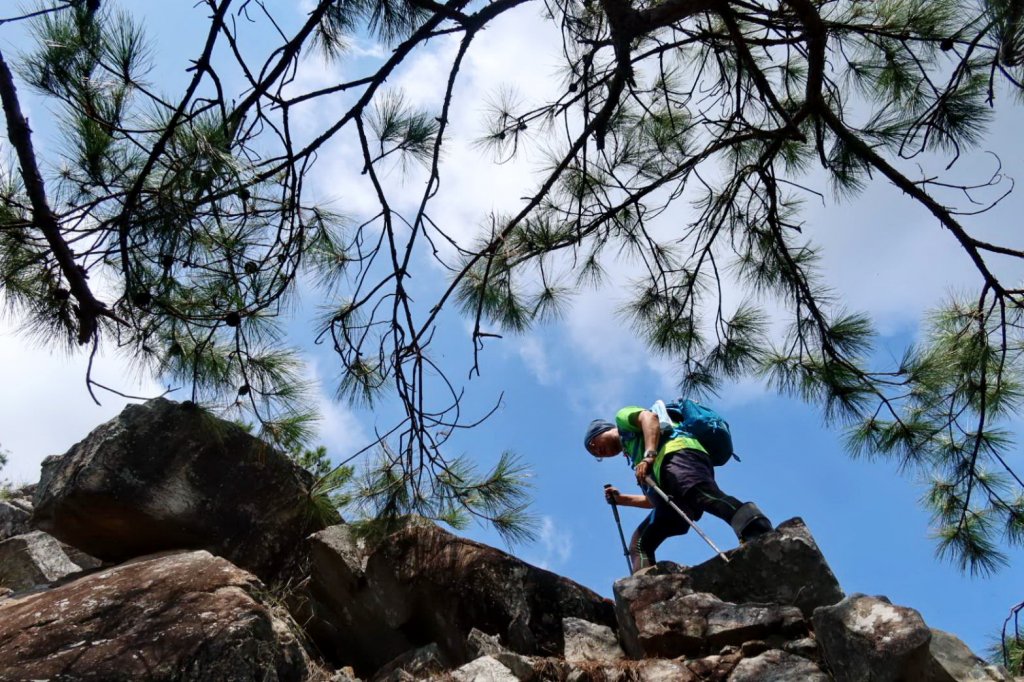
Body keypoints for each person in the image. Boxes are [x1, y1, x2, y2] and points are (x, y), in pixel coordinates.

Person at [584, 404, 772, 573]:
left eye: (593, 444)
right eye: (594, 455)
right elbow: (654, 499)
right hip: (669, 483)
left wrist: (649, 456)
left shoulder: (623, 418)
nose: (597, 452)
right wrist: (623, 499)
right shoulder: (633, 451)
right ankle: (645, 587)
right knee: (640, 543)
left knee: (703, 495)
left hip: (677, 453)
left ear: (603, 430)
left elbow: (649, 418)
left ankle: (758, 531)